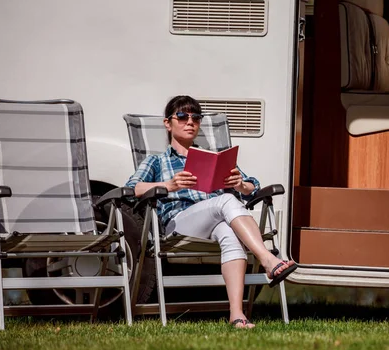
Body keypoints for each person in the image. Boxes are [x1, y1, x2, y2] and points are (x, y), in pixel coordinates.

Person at [126, 95, 297, 329]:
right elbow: (131, 188)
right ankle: (268, 259)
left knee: (229, 233)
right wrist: (169, 185)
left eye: (196, 117)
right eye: (183, 116)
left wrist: (240, 184)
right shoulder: (157, 161)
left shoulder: (212, 158)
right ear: (168, 123)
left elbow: (251, 186)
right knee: (225, 201)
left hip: (214, 220)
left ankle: (237, 315)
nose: (190, 122)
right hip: (178, 225)